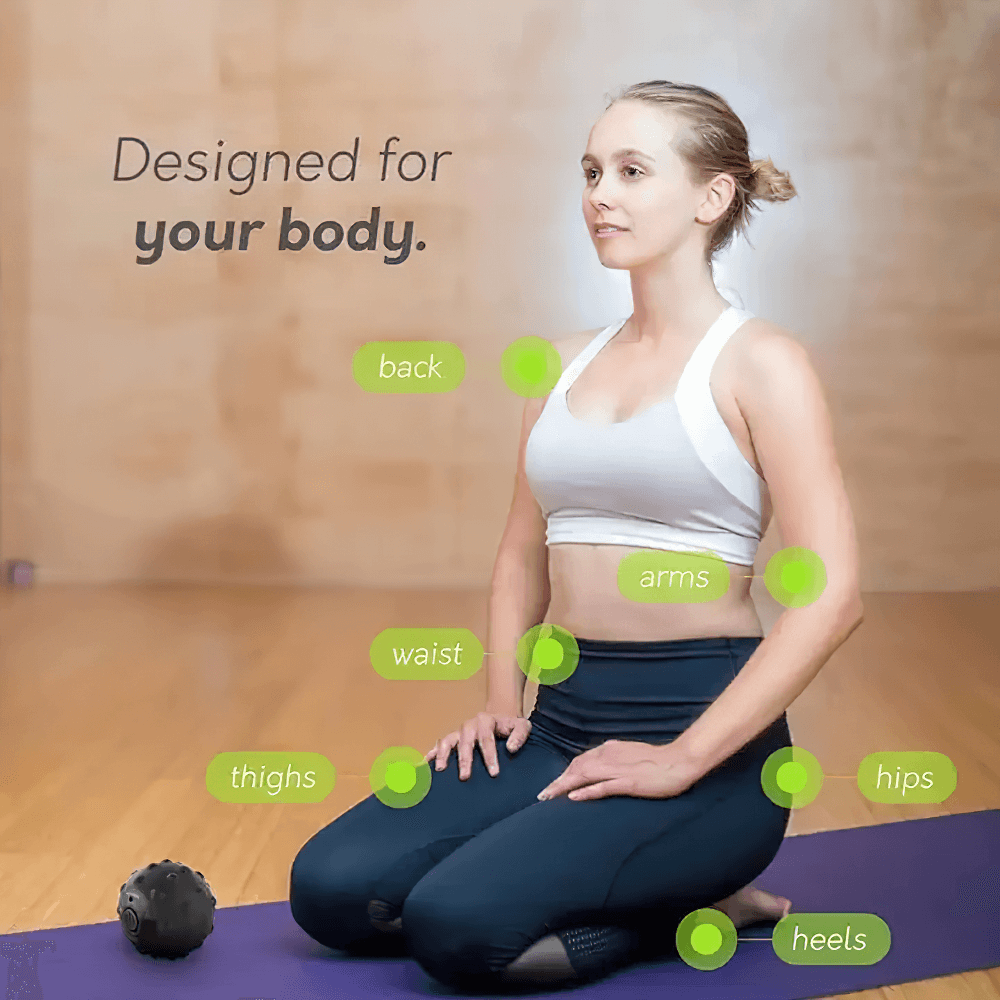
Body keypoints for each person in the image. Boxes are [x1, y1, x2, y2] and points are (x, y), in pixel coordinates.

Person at [289, 80, 864, 993]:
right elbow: (522, 554)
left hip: (706, 743)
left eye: (633, 172)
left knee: (454, 929)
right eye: (592, 172)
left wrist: (682, 758)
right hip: (560, 724)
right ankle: (647, 886)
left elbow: (832, 597)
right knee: (328, 891)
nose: (601, 194)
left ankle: (699, 906)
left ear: (712, 197)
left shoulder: (763, 364)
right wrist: (500, 704)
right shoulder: (558, 365)